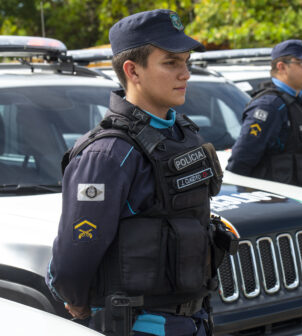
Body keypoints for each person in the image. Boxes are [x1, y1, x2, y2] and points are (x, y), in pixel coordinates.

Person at [46, 9, 231, 336]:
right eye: (171, 63)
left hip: (195, 318)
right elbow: (77, 250)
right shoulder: (108, 153)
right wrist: (75, 298)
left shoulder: (182, 133)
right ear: (133, 71)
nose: (185, 73)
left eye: (186, 62)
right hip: (140, 325)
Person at [226, 39, 302, 190]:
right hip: (278, 204)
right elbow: (241, 160)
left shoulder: (300, 101)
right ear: (281, 67)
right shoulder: (270, 106)